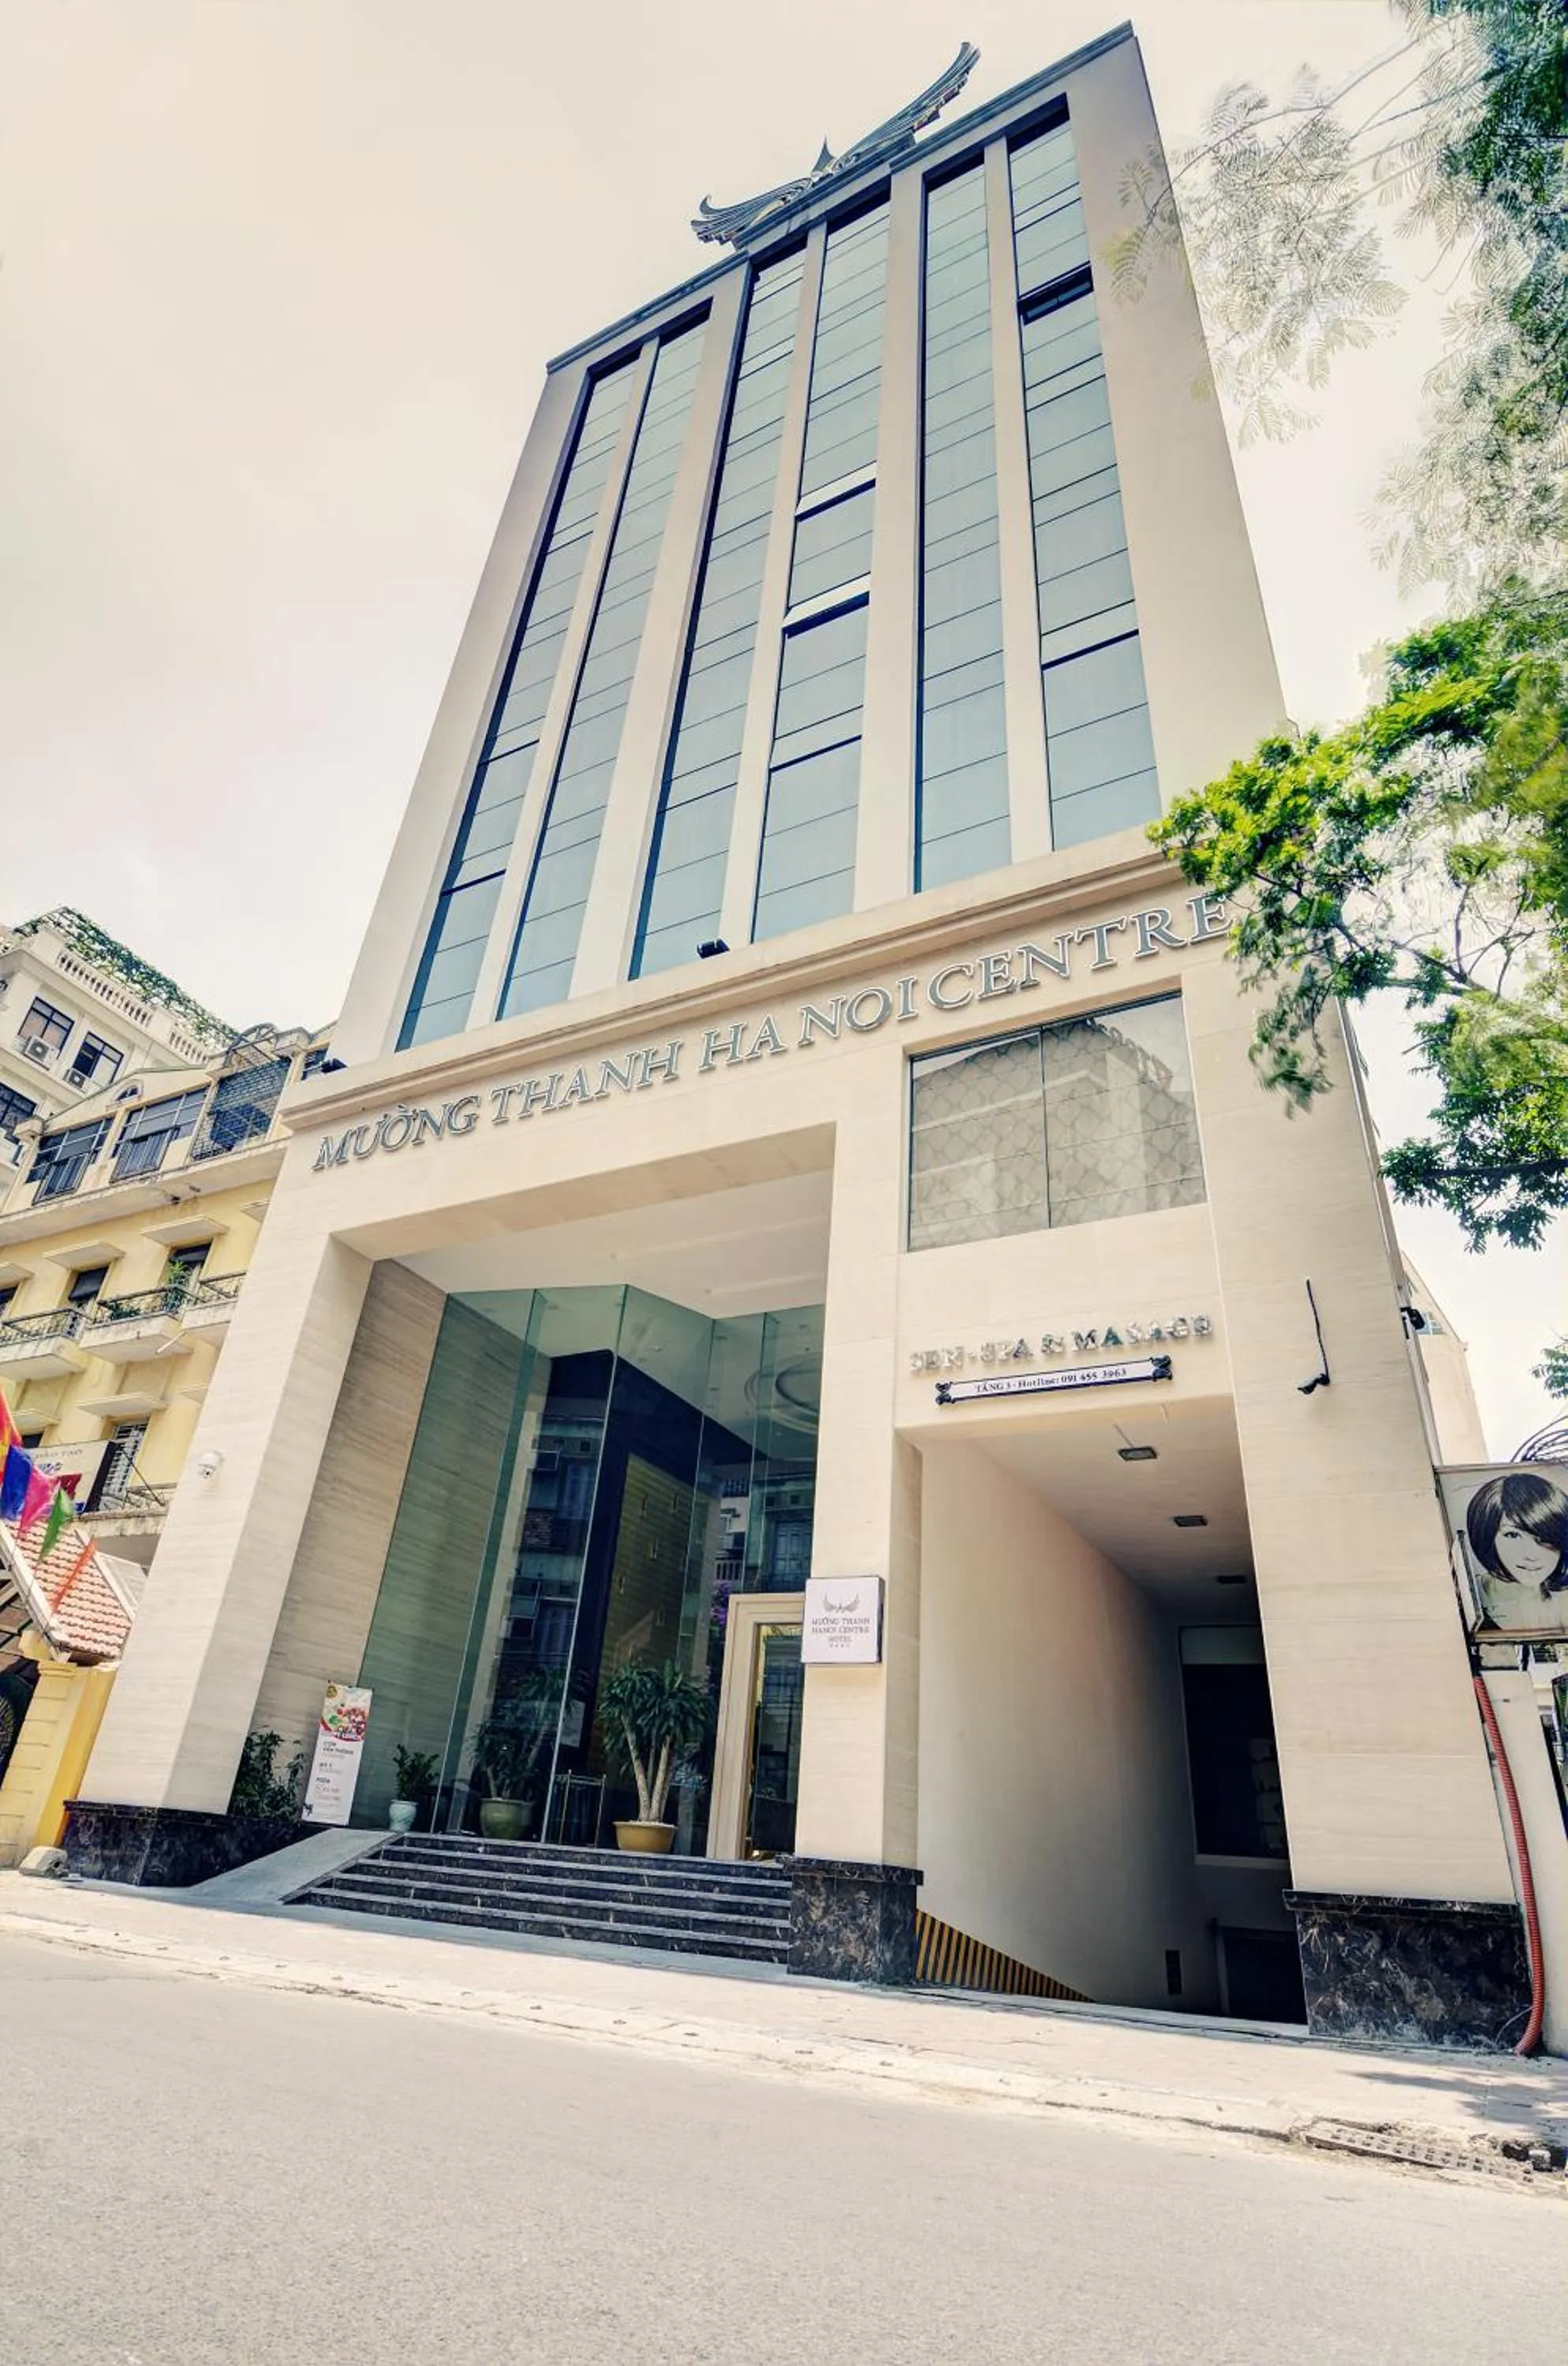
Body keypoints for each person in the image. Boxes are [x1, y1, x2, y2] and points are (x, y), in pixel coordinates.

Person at [1464, 1471, 1568, 1631]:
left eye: (1544, 1539)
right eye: (1512, 1535)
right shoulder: (1469, 1599)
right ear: (1487, 1536)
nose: (1531, 1555)